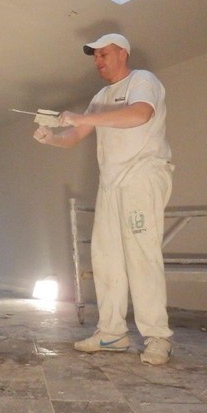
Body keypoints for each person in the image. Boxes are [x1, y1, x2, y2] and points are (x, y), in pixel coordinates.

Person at [33, 33, 174, 365]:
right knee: (105, 257)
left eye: (104, 54)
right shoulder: (100, 97)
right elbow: (74, 136)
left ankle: (158, 338)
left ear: (123, 53)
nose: (98, 61)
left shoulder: (142, 80)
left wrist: (83, 118)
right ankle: (112, 334)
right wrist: (51, 138)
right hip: (111, 183)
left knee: (142, 256)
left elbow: (140, 114)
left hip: (142, 175)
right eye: (94, 56)